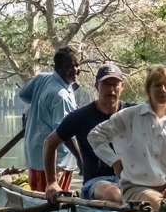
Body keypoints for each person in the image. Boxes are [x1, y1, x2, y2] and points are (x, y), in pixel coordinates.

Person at [87, 64, 166, 207]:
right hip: (136, 187)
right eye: (157, 85)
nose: (163, 90)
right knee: (163, 207)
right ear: (148, 90)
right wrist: (114, 161)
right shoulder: (130, 115)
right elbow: (95, 136)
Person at [42, 62, 126, 203]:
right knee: (115, 196)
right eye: (106, 84)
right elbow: (50, 143)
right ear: (96, 86)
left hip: (130, 179)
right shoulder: (81, 116)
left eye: (115, 84)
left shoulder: (131, 113)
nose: (111, 89)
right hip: (97, 182)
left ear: (122, 87)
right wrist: (52, 182)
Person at [17, 45, 81, 192]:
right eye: (69, 67)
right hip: (54, 163)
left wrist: (41, 107)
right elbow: (65, 134)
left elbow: (24, 95)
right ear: (58, 68)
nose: (75, 70)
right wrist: (80, 159)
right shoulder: (60, 96)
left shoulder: (42, 78)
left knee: (39, 196)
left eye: (77, 65)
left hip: (35, 154)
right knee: (50, 197)